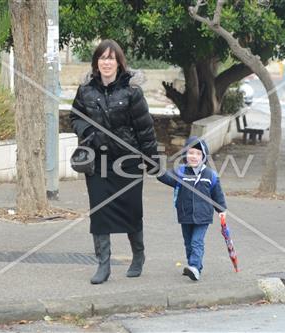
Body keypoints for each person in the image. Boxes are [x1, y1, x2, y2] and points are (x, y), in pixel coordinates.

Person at [70, 39, 158, 284]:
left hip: (128, 162)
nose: (106, 62)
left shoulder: (132, 91)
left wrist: (152, 162)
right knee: (99, 213)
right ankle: (103, 265)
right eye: (102, 58)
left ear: (119, 62)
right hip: (98, 163)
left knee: (132, 212)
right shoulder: (86, 90)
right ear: (96, 62)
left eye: (111, 58)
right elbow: (75, 117)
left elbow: (145, 130)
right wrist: (87, 131)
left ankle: (138, 256)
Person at [157, 137, 227, 281]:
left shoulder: (210, 175)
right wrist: (155, 169)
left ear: (203, 157)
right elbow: (165, 177)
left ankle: (195, 266)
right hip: (185, 214)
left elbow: (217, 195)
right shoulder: (180, 172)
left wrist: (221, 211)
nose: (193, 156)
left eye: (197, 154)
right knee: (188, 242)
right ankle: (193, 267)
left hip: (203, 216)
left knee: (197, 242)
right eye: (190, 153)